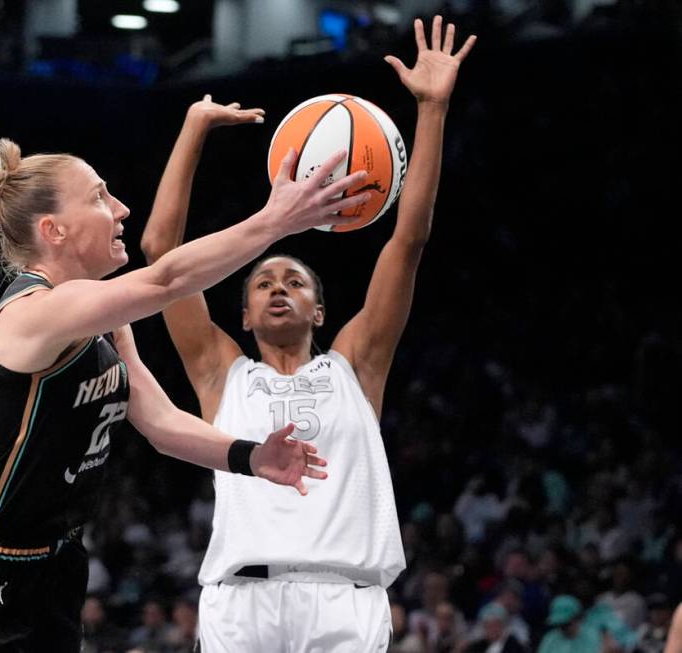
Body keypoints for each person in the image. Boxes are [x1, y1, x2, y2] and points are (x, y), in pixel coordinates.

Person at [0, 112, 372, 652]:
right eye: (101, 197)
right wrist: (274, 221)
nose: (121, 209)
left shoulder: (102, 319)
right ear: (53, 230)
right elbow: (166, 279)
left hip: (51, 570)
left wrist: (251, 457)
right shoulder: (32, 314)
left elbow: (160, 422)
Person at [140, 16, 475, 652]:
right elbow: (161, 251)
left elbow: (408, 240)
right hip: (242, 602)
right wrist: (192, 130)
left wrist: (432, 109)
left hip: (345, 601)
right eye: (262, 283)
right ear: (241, 316)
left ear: (320, 311)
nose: (276, 288)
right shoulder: (221, 371)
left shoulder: (357, 364)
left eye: (293, 281)